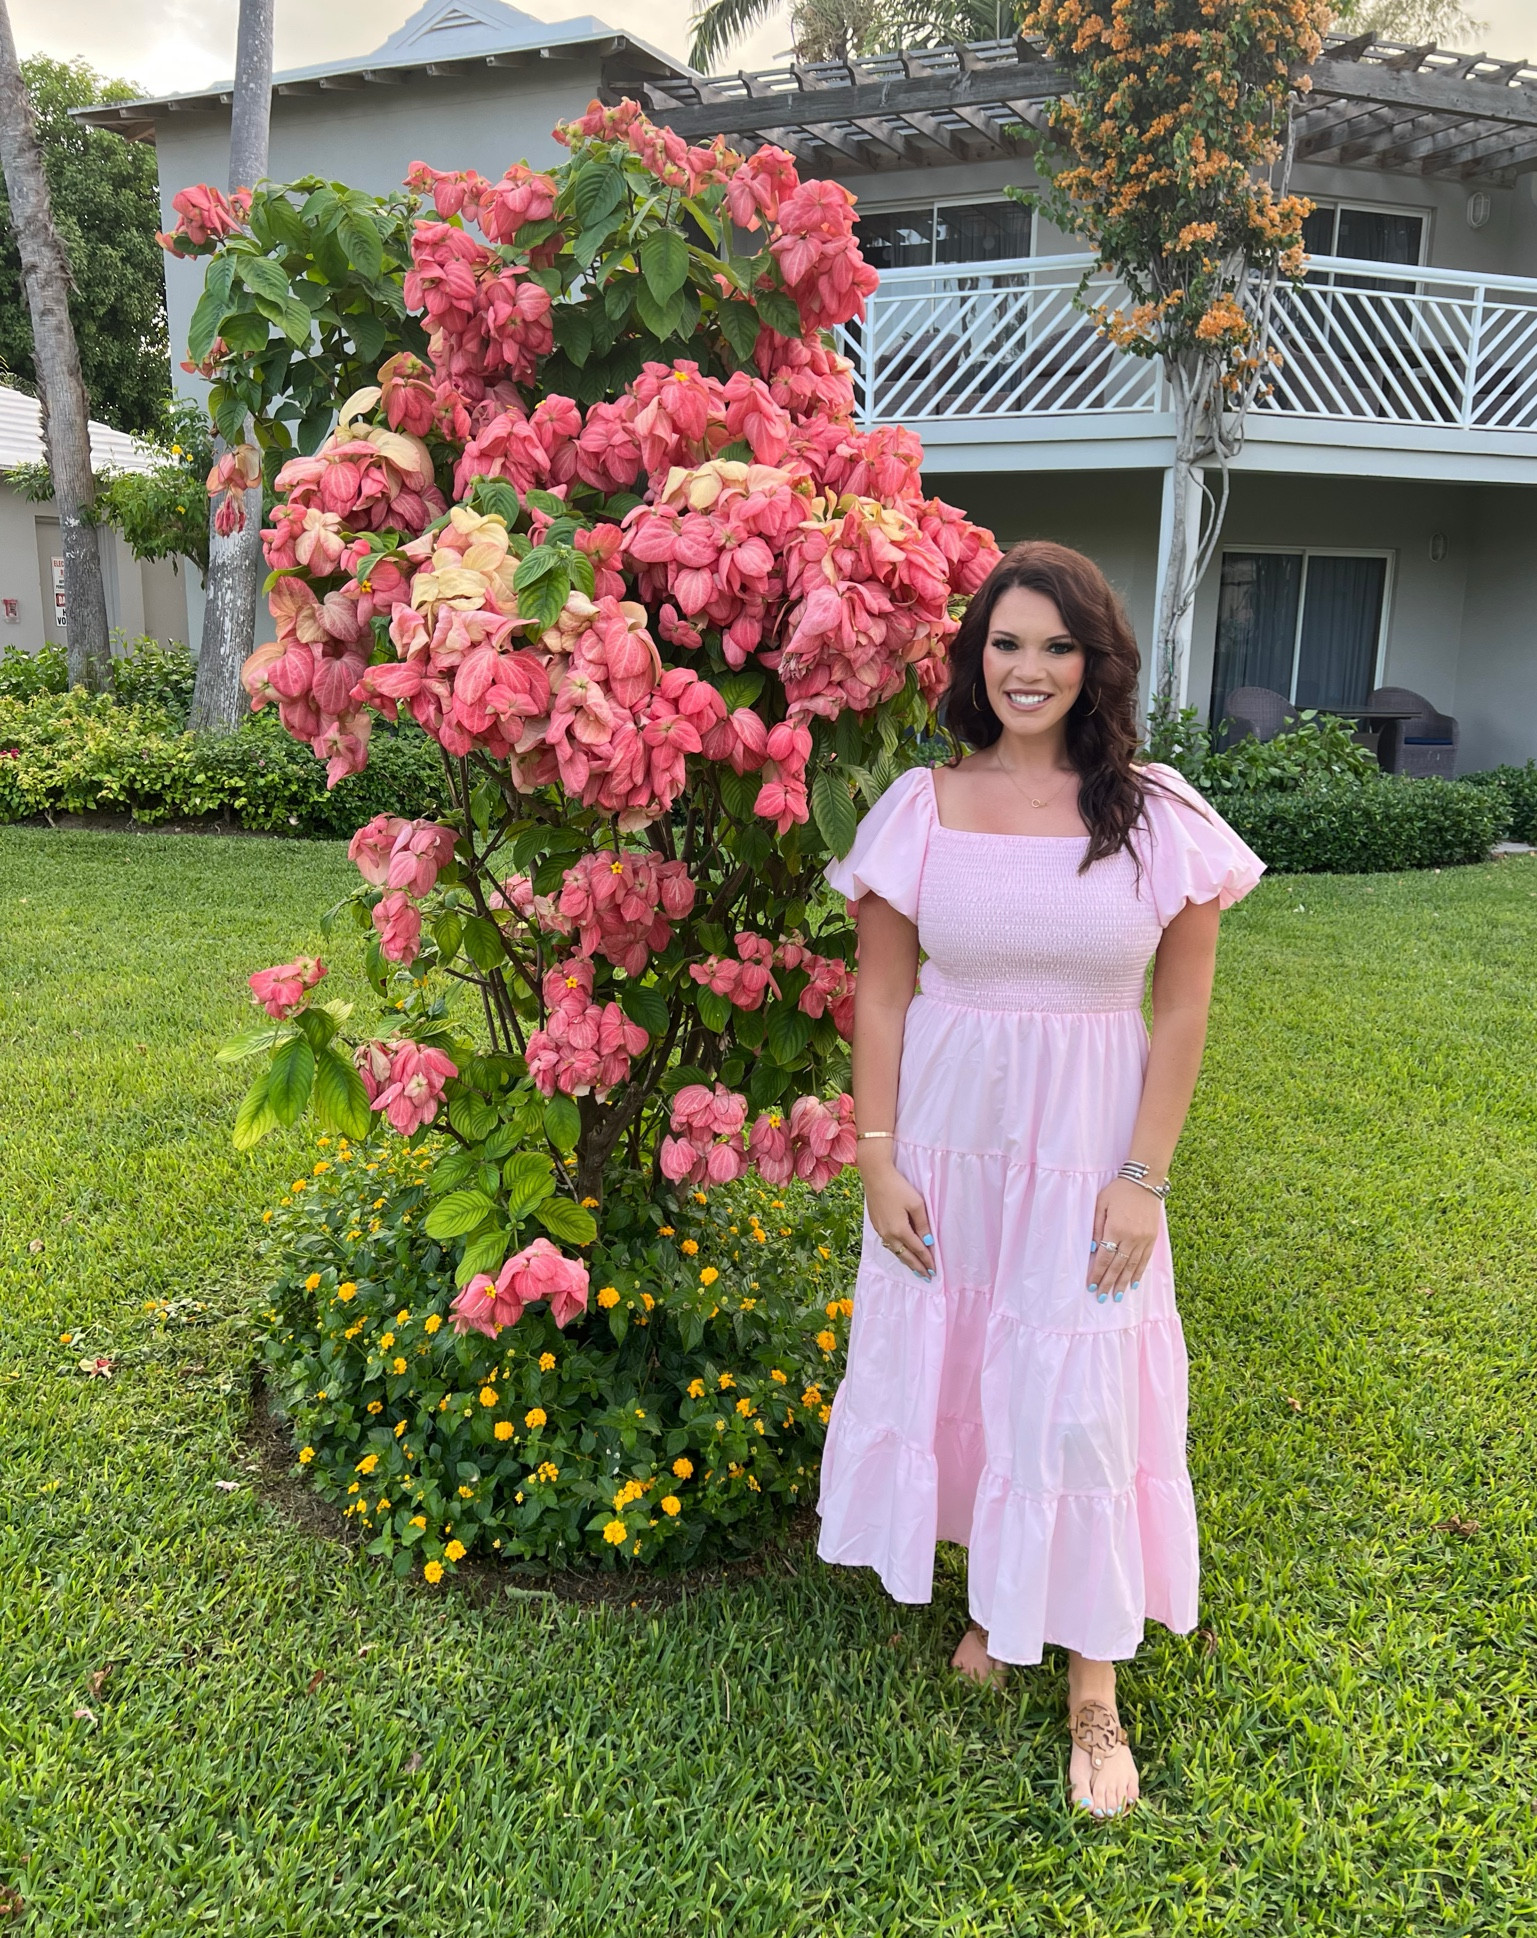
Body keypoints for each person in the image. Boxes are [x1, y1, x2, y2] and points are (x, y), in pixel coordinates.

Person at [815, 539, 1264, 1820]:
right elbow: (882, 994)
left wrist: (1143, 1178)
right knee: (975, 1363)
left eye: (1057, 646)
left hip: (1086, 1147)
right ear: (975, 660)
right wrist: (875, 1154)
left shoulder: (1156, 815)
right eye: (1006, 643)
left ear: (1092, 662)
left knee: (1080, 1389)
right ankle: (1002, 1606)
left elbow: (1180, 1012)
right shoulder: (922, 807)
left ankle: (1092, 1682)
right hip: (950, 1140)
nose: (1029, 668)